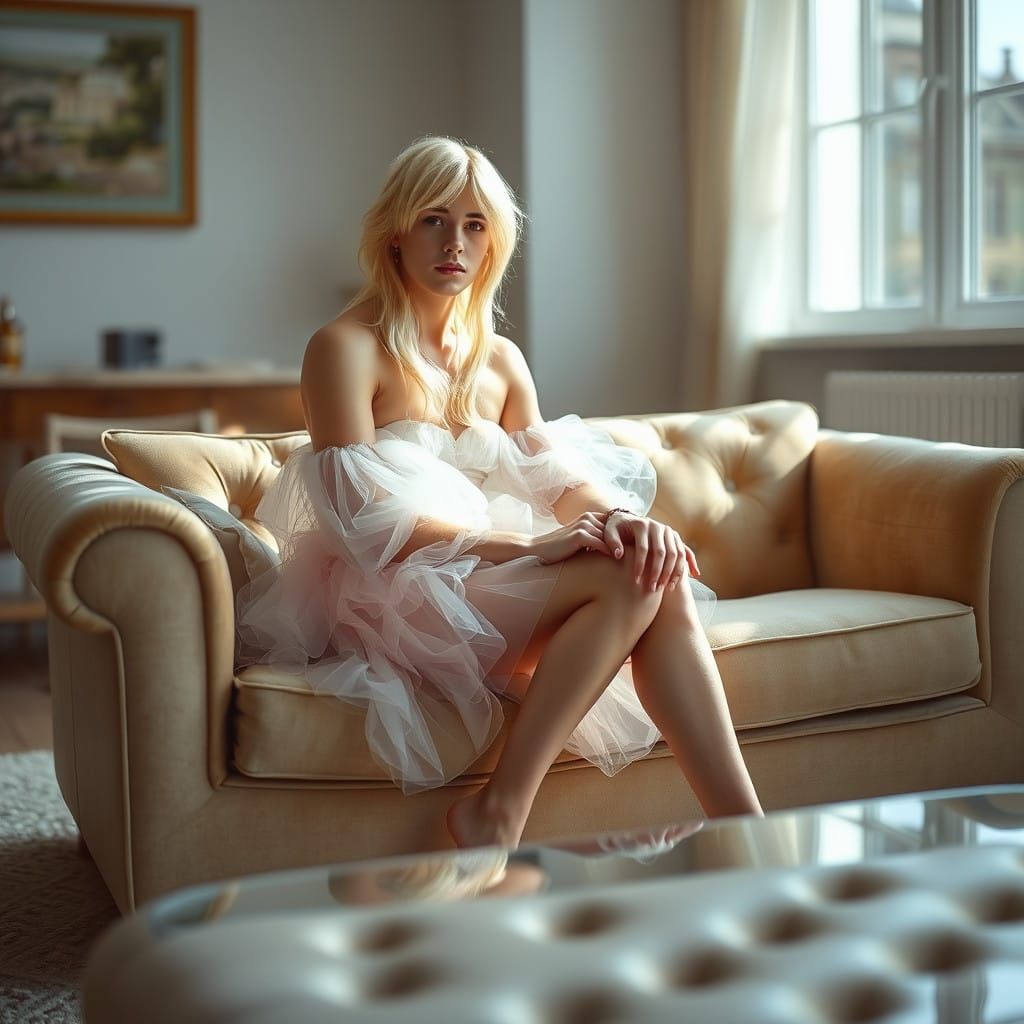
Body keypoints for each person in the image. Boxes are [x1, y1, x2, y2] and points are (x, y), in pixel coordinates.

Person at [236, 135, 763, 852]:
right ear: (395, 232)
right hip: (390, 590)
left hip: (486, 579)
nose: (455, 241)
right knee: (637, 584)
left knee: (648, 571)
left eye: (475, 224)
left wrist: (627, 522)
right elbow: (360, 521)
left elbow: (561, 481)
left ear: (494, 243)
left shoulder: (502, 361)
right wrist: (530, 545)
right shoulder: (345, 347)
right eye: (434, 219)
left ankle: (746, 832)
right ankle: (524, 814)